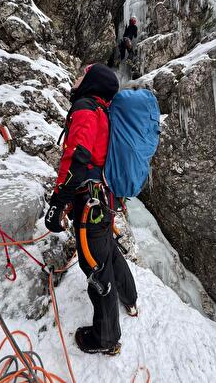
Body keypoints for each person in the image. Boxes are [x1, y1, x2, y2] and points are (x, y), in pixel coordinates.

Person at [45, 64, 138, 355]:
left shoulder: (86, 108)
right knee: (107, 249)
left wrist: (59, 200)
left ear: (92, 81)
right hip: (104, 199)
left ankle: (106, 338)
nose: (76, 79)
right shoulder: (102, 111)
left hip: (89, 203)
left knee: (95, 267)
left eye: (81, 74)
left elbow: (78, 157)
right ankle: (130, 298)